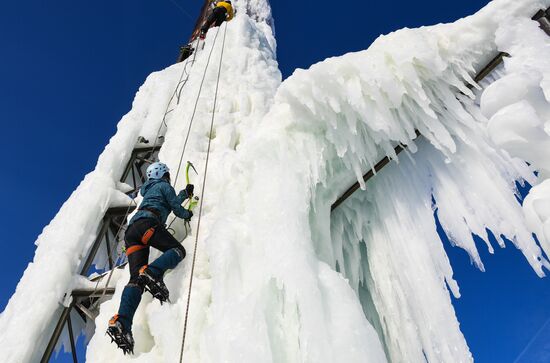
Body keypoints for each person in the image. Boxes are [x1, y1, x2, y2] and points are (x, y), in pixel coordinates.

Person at [107, 162, 194, 354]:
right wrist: (189, 213)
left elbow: (168, 202)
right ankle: (153, 272)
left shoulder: (150, 191)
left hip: (132, 233)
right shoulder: (164, 186)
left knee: (135, 280)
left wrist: (184, 195)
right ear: (164, 174)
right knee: (178, 250)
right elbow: (175, 208)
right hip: (149, 223)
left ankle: (122, 322)